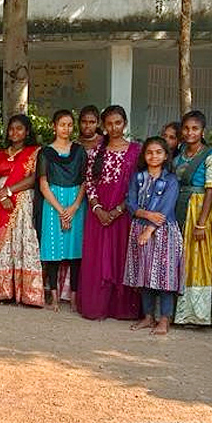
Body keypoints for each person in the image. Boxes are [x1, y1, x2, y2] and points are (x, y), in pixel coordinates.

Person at [79, 105, 142, 320]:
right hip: (98, 213)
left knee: (121, 255)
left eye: (118, 122)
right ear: (103, 126)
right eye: (109, 124)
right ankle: (97, 306)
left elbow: (138, 185)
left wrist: (117, 210)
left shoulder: (136, 150)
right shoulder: (97, 150)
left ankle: (121, 308)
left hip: (124, 212)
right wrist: (97, 208)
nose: (114, 128)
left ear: (125, 123)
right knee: (97, 257)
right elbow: (89, 182)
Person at [0, 114, 44, 307]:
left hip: (23, 202)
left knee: (22, 241)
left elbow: (33, 178)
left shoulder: (35, 152)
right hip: (0, 202)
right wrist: (1, 196)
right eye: (11, 128)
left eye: (19, 128)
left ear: (27, 132)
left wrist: (8, 191)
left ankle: (27, 293)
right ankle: (1, 291)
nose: (14, 132)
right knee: (2, 245)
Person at [123, 137, 183, 335]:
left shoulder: (171, 180)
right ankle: (148, 317)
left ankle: (164, 319)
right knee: (144, 275)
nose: (153, 156)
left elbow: (166, 207)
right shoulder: (138, 177)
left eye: (158, 152)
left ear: (166, 155)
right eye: (149, 152)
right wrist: (146, 215)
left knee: (165, 278)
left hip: (164, 232)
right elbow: (130, 203)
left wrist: (149, 229)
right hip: (139, 229)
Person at [171, 110, 212, 327]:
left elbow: (211, 190)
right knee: (181, 257)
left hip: (200, 209)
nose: (190, 132)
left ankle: (197, 315)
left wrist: (201, 222)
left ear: (203, 131)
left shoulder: (210, 156)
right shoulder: (180, 152)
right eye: (186, 128)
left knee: (198, 259)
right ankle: (178, 312)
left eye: (195, 128)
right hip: (180, 206)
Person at [37, 109, 86, 311]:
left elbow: (84, 181)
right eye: (62, 124)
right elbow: (43, 183)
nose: (66, 129)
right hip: (52, 202)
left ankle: (74, 298)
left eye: (69, 124)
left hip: (76, 201)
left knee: (75, 252)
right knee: (53, 251)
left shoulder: (79, 150)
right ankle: (55, 298)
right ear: (54, 126)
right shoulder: (45, 152)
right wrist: (60, 209)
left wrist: (73, 207)